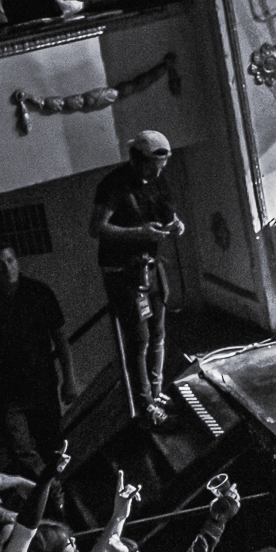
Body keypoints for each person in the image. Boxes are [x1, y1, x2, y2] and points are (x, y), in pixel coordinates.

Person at [90, 129, 185, 427]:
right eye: (152, 165)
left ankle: (156, 392)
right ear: (137, 159)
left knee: (158, 331)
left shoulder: (158, 180)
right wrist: (139, 233)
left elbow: (169, 215)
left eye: (162, 165)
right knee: (139, 338)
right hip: (123, 271)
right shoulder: (113, 185)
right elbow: (96, 228)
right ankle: (145, 405)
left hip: (150, 263)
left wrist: (176, 225)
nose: (158, 171)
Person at [0, 241, 76, 478]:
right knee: (21, 451)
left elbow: (60, 338)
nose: (7, 268)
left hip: (42, 384)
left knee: (52, 445)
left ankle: (54, 493)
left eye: (11, 260)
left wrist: (69, 378)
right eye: (0, 264)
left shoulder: (38, 292)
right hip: (7, 391)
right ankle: (48, 494)